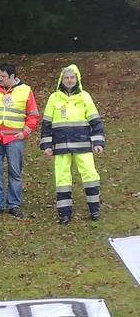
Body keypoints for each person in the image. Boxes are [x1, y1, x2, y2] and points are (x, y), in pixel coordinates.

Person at [40, 64, 105, 225]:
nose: (69, 80)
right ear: (61, 79)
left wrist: (98, 141)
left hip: (82, 144)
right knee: (62, 179)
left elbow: (95, 121)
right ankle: (64, 213)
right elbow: (46, 124)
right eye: (66, 77)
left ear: (77, 79)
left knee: (90, 175)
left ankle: (94, 209)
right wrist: (47, 145)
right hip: (61, 146)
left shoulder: (85, 97)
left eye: (72, 77)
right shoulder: (54, 98)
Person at [0, 63, 40, 219]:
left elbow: (33, 114)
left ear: (13, 77)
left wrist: (25, 132)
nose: (0, 79)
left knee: (15, 171)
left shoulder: (25, 90)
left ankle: (14, 204)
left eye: (4, 77)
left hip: (15, 137)